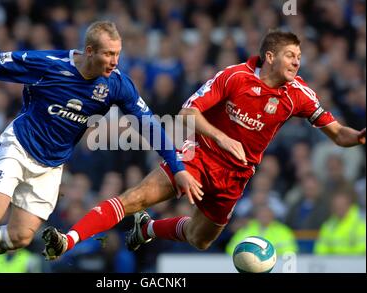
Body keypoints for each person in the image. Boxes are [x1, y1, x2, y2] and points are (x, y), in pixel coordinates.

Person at [42, 30, 365, 260]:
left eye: (299, 57)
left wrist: (358, 137)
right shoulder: (234, 77)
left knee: (200, 239)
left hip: (236, 175)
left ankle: (149, 229)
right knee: (136, 198)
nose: (297, 63)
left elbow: (338, 133)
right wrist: (222, 138)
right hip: (198, 156)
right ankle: (68, 240)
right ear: (270, 56)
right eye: (291, 56)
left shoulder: (299, 94)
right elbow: (187, 113)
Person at [0, 21, 201, 273]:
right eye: (108, 54)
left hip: (51, 165)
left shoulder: (117, 85)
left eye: (118, 54)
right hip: (19, 146)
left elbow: (150, 125)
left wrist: (177, 167)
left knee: (19, 238)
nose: (115, 61)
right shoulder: (51, 65)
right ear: (89, 51)